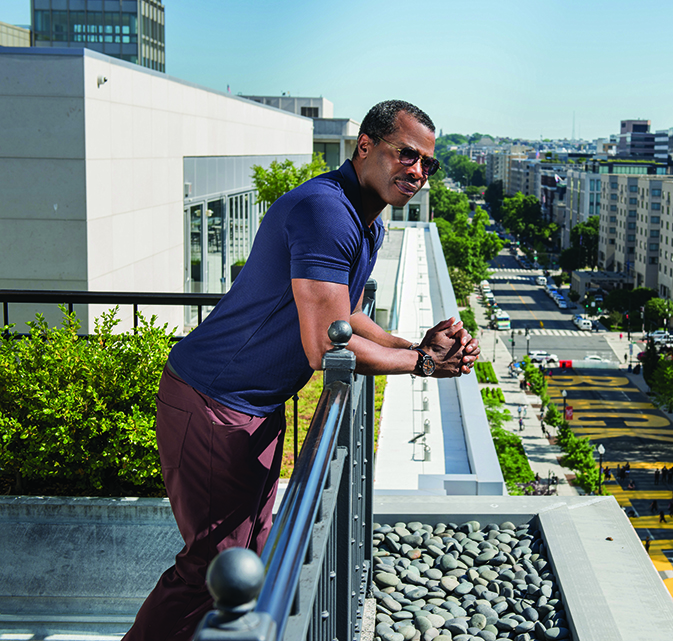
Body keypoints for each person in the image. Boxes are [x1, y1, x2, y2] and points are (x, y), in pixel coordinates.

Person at [123, 101, 479, 641]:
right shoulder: (326, 211)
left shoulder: (366, 220)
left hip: (254, 406)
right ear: (365, 147)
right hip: (214, 402)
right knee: (213, 566)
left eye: (429, 163)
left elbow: (345, 317)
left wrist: (412, 344)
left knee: (259, 546)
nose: (418, 172)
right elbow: (323, 349)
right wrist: (424, 364)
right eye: (408, 155)